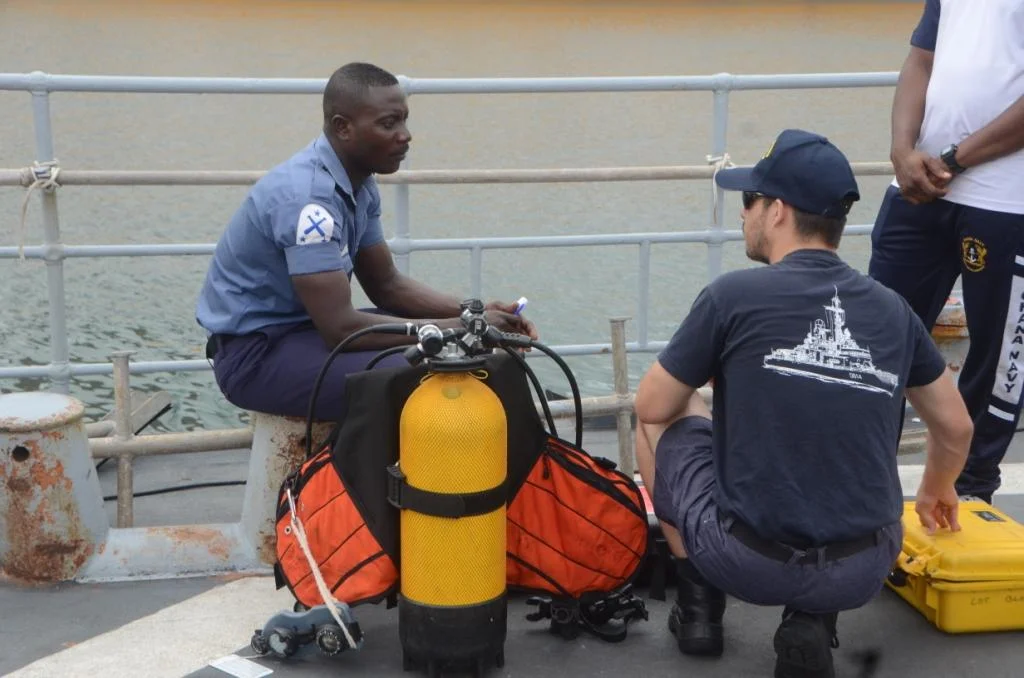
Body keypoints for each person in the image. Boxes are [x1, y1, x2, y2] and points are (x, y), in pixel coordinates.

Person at [634, 129, 973, 678]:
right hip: (863, 567)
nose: (744, 214)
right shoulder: (893, 309)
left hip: (745, 562)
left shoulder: (732, 296)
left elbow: (653, 404)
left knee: (663, 413)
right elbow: (955, 427)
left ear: (777, 212)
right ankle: (814, 620)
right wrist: (937, 488)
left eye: (750, 200)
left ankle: (700, 607)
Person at [196, 62, 536, 421]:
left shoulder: (358, 182)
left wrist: (475, 313)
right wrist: (464, 327)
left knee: (467, 352)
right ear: (343, 127)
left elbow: (386, 285)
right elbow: (339, 328)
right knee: (432, 373)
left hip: (302, 332)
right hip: (255, 356)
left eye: (404, 120)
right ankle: (370, 477)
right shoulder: (308, 200)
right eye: (388, 123)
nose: (405, 135)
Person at [868, 0, 1024, 504]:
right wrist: (901, 147)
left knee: (997, 354)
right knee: (879, 333)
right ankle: (866, 480)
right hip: (917, 189)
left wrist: (956, 160)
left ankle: (970, 488)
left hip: (1006, 199)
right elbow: (920, 60)